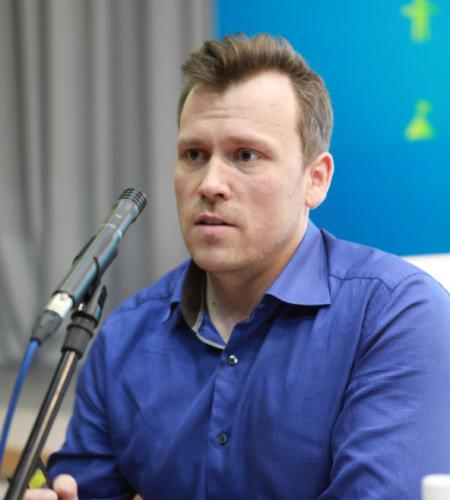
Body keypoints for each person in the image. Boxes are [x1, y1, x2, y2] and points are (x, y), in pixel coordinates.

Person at [25, 33, 450, 500]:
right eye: (194, 155)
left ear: (316, 179)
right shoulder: (125, 337)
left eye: (246, 155)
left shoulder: (397, 316)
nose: (210, 184)